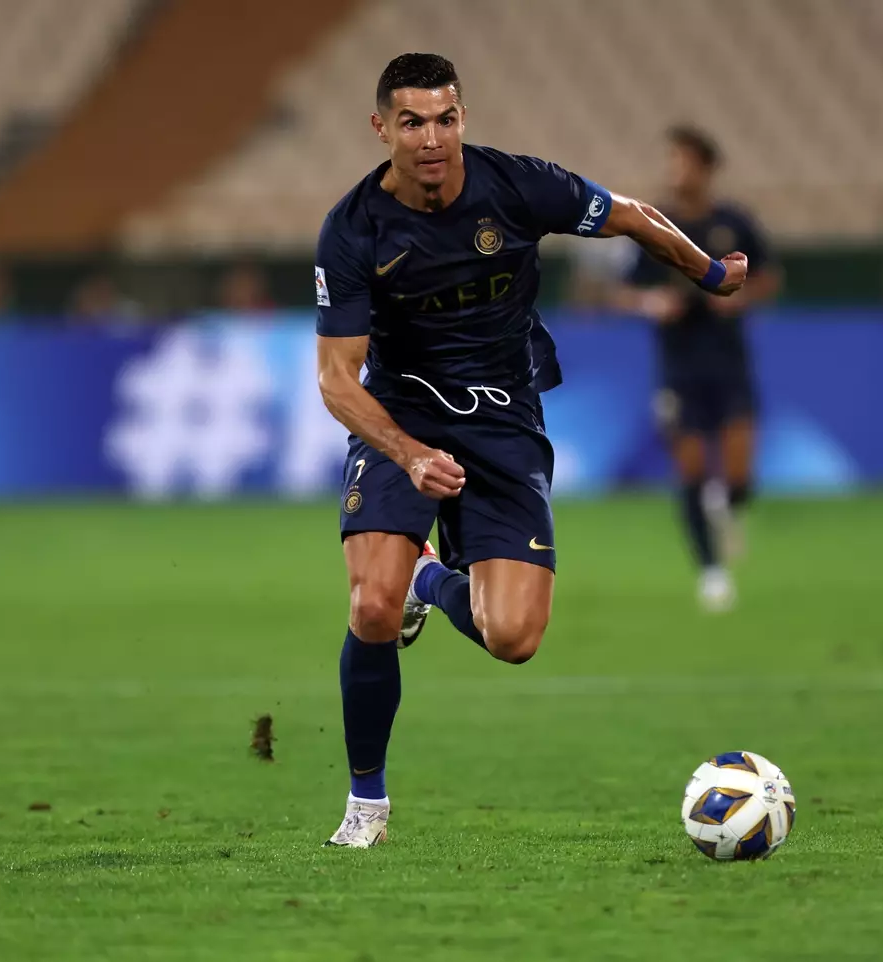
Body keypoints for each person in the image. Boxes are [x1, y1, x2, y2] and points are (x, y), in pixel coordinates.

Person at [314, 54, 747, 847]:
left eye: (446, 118)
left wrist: (710, 271)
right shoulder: (352, 230)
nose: (432, 137)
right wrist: (409, 455)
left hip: (505, 421)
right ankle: (366, 803)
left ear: (463, 119)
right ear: (383, 130)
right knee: (370, 605)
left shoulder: (515, 186)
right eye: (413, 122)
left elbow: (631, 214)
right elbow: (338, 381)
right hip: (401, 416)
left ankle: (431, 580)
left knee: (513, 637)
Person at [615, 126, 778, 612]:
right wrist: (652, 302)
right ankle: (711, 572)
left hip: (728, 360)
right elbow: (622, 291)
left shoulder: (734, 221)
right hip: (679, 364)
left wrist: (743, 298)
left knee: (738, 469)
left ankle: (726, 505)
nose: (674, 170)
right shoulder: (654, 222)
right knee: (688, 467)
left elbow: (770, 276)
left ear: (706, 167)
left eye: (682, 161)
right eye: (671, 160)